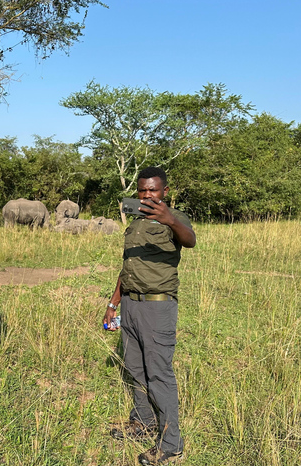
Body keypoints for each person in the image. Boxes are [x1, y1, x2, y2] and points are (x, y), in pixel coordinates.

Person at [103, 166, 196, 466]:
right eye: (142, 190)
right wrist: (114, 303)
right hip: (130, 304)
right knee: (134, 366)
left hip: (158, 306)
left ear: (165, 191)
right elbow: (127, 265)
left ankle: (171, 444)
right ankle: (143, 423)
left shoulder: (175, 218)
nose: (146, 195)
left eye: (152, 190)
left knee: (159, 373)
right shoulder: (137, 222)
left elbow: (191, 240)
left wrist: (168, 218)